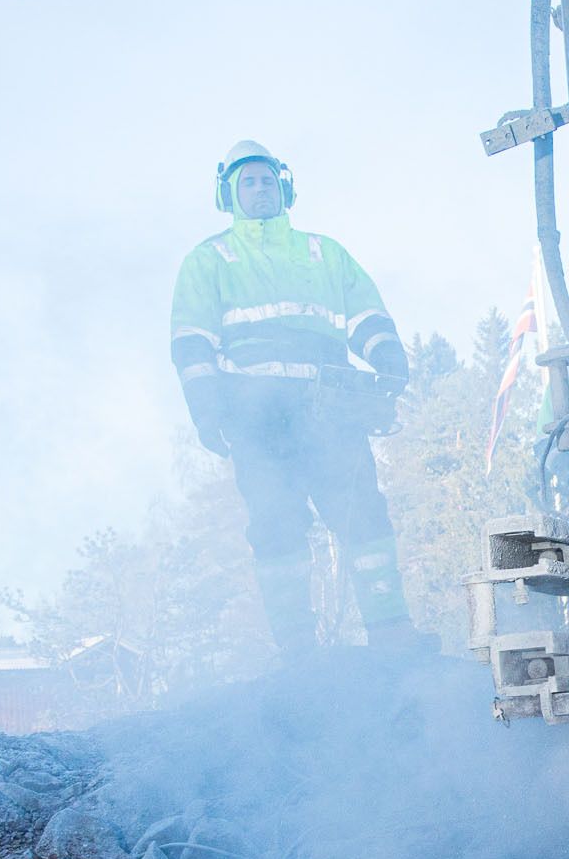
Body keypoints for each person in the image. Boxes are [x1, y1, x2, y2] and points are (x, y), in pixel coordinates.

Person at [169, 140, 414, 651]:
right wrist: (207, 410)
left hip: (331, 412)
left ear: (286, 188)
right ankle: (298, 649)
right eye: (249, 182)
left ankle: (391, 633)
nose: (261, 189)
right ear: (228, 194)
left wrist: (388, 356)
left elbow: (367, 315)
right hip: (256, 420)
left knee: (364, 517)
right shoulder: (208, 261)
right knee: (276, 528)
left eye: (268, 180)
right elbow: (192, 342)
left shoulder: (323, 252)